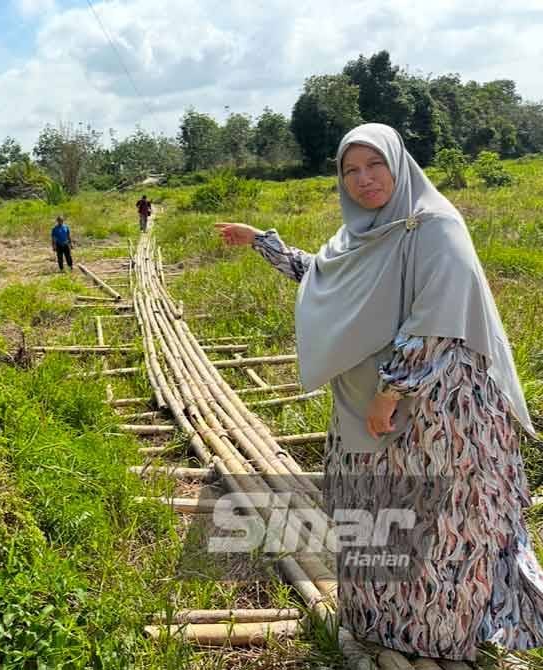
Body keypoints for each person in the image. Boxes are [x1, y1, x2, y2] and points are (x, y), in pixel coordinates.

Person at [215, 123, 543, 663]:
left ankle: (440, 634)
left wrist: (391, 392)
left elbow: (437, 320)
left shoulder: (436, 226)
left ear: (398, 163)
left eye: (375, 165)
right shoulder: (360, 236)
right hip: (365, 407)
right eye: (351, 170)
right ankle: (384, 624)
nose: (364, 179)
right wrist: (262, 243)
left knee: (442, 520)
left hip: (438, 405)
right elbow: (320, 276)